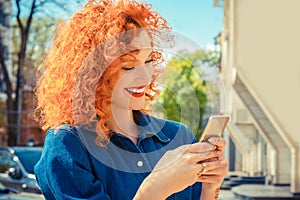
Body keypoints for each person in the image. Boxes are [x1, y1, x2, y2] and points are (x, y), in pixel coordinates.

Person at [33, 0, 228, 199]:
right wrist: (155, 188)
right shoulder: (68, 145)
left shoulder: (178, 136)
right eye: (128, 65)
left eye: (149, 61)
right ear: (93, 72)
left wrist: (210, 188)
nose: (145, 77)